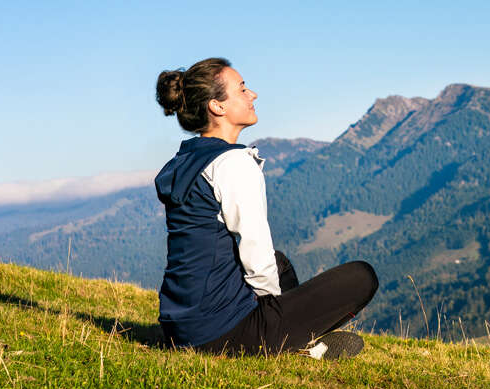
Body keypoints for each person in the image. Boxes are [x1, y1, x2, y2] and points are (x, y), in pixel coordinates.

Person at [154, 57, 378, 359]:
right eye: (242, 89)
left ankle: (292, 337)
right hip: (219, 335)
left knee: (279, 262)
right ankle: (296, 345)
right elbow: (254, 249)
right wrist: (279, 316)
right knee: (363, 277)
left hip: (180, 329)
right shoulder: (233, 164)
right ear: (217, 107)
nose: (253, 95)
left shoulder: (187, 161)